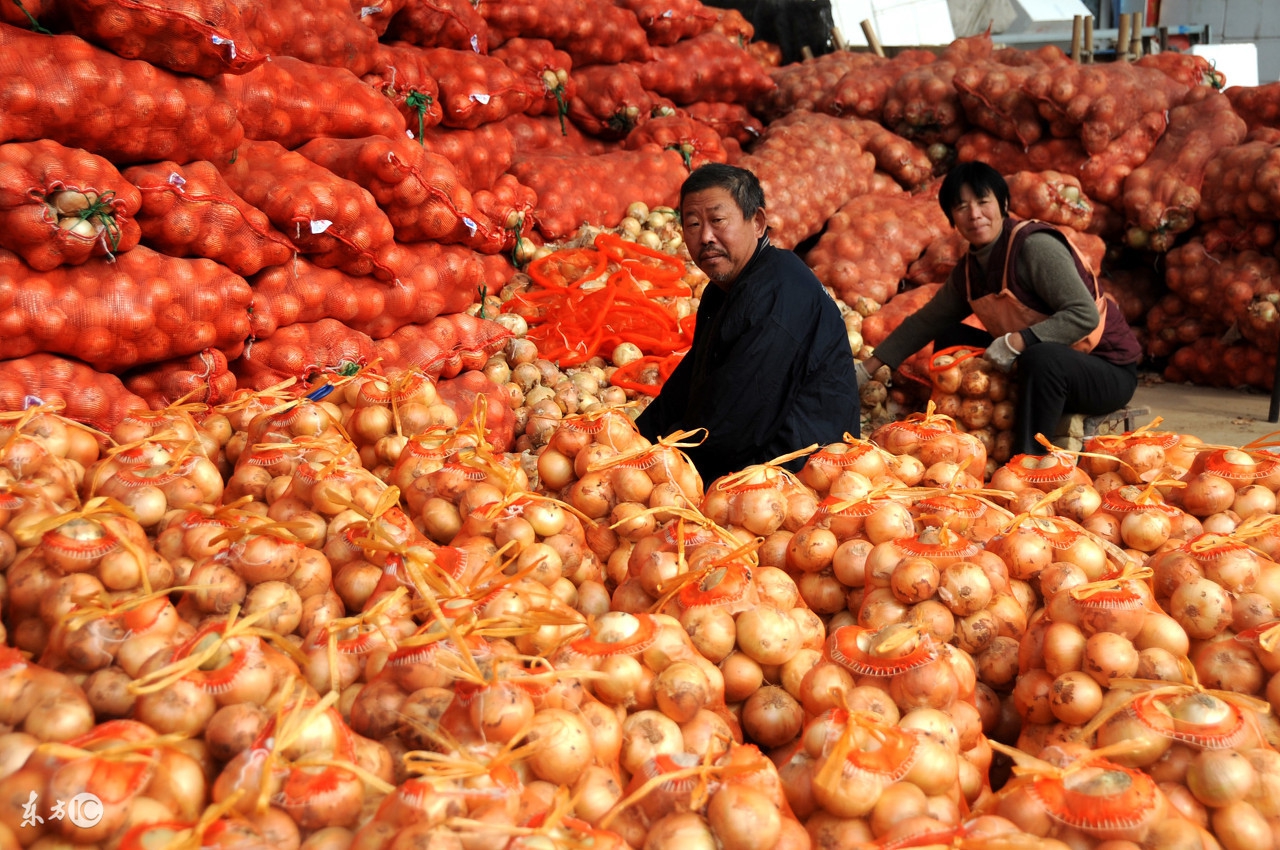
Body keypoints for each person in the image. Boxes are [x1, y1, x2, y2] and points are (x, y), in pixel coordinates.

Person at [858, 161, 1142, 456]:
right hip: (1040, 369)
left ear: (1003, 203)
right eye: (962, 207)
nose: (975, 215)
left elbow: (1084, 314)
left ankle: (1029, 461)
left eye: (983, 202)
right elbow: (925, 322)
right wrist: (867, 370)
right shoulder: (969, 271)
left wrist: (1017, 340)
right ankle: (963, 435)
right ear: (951, 218)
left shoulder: (1034, 247)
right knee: (951, 336)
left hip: (1104, 371)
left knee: (1042, 356)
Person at [635, 163, 860, 483]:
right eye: (693, 224)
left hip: (795, 474)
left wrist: (657, 463)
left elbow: (736, 422)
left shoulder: (778, 292)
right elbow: (691, 383)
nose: (705, 237)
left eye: (717, 220)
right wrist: (637, 437)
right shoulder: (722, 290)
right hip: (752, 453)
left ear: (757, 222)